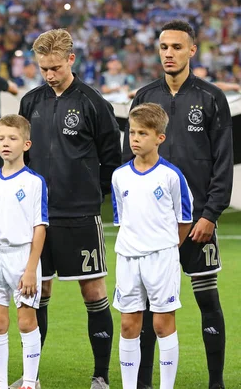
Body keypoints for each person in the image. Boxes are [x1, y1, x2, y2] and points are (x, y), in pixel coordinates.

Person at [126, 20, 233, 389]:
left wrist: (211, 214)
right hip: (152, 229)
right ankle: (142, 383)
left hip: (198, 223)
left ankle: (216, 382)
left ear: (192, 50)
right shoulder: (144, 96)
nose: (169, 53)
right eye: (163, 47)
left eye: (176, 46)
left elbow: (222, 160)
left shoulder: (211, 97)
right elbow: (134, 159)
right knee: (146, 311)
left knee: (208, 302)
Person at [17, 28, 121, 389]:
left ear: (71, 60)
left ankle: (101, 376)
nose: (49, 74)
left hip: (79, 215)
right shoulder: (30, 102)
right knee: (36, 294)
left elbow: (112, 159)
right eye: (44, 68)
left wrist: (92, 195)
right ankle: (30, 378)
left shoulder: (94, 102)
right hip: (38, 217)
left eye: (56, 67)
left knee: (93, 293)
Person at [113, 103, 193, 389]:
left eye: (142, 133)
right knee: (128, 325)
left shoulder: (171, 176)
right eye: (132, 132)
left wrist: (167, 247)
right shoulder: (119, 176)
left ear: (160, 137)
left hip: (161, 258)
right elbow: (122, 217)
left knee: (161, 324)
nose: (135, 138)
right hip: (127, 258)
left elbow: (184, 220)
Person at [0, 114, 48, 389]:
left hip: (21, 257)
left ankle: (29, 382)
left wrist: (31, 269)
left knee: (27, 322)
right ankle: (0, 384)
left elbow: (39, 227)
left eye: (13, 138)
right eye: (2, 138)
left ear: (26, 144)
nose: (6, 143)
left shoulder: (34, 182)